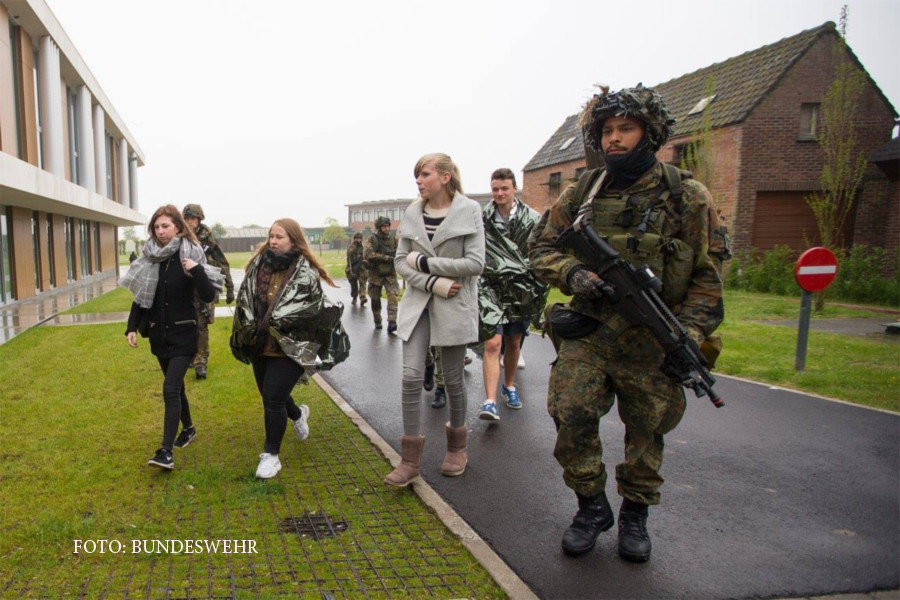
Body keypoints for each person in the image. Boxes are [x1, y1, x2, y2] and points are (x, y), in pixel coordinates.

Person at [529, 84, 725, 562]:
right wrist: (574, 273)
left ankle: (636, 515)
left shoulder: (688, 197)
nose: (614, 139)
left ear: (649, 133)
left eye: (626, 129)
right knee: (570, 412)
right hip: (591, 331)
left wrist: (690, 338)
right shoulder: (583, 192)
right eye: (608, 130)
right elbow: (540, 249)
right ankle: (592, 506)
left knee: (646, 429)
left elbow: (707, 279)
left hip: (654, 339)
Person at [384, 153, 485, 487]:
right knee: (411, 378)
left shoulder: (469, 210)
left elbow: (475, 264)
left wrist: (425, 263)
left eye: (424, 174)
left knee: (453, 379)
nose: (418, 180)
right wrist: (431, 281)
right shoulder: (412, 212)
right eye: (416, 175)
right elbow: (401, 262)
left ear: (444, 177)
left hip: (454, 305)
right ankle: (410, 460)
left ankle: (457, 448)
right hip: (418, 303)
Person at [230, 219, 350, 479]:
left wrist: (286, 318)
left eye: (279, 237)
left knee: (273, 397)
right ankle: (297, 414)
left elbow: (312, 309)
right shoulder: (257, 267)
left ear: (293, 240)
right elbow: (246, 300)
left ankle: (271, 456)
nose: (273, 241)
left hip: (293, 347)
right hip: (261, 343)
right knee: (272, 396)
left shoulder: (306, 273)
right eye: (271, 236)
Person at [120, 205, 224, 470]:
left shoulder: (190, 254)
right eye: (156, 227)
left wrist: (197, 270)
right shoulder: (150, 258)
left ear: (178, 227)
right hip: (159, 336)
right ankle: (188, 428)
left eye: (165, 226)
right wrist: (131, 327)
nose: (160, 231)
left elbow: (209, 295)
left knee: (169, 388)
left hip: (184, 335)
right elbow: (141, 297)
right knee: (176, 388)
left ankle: (165, 451)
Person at [476, 168, 547, 421]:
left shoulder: (533, 218)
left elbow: (541, 251)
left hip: (521, 288)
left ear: (514, 188)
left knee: (514, 342)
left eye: (504, 188)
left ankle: (509, 385)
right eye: (495, 189)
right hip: (490, 287)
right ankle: (490, 401)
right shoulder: (481, 218)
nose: (499, 193)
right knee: (493, 342)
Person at [181, 204, 235, 380]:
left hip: (203, 287)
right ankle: (191, 355)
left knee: (202, 324)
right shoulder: (178, 236)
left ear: (199, 219)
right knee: (187, 323)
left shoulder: (207, 239)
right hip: (183, 288)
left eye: (193, 218)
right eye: (187, 218)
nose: (190, 222)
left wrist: (229, 288)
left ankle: (201, 362)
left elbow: (222, 262)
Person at [364, 216, 399, 333]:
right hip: (375, 274)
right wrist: (385, 258)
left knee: (393, 296)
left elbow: (400, 252)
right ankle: (377, 319)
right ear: (379, 227)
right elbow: (368, 254)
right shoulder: (372, 239)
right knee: (375, 299)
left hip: (390, 273)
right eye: (383, 226)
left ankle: (392, 322)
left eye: (387, 226)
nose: (386, 228)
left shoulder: (394, 239)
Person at [345, 232, 368, 306]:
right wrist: (354, 246)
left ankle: (362, 297)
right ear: (354, 239)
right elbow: (349, 257)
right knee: (353, 284)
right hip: (353, 268)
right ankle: (354, 297)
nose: (359, 240)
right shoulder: (351, 247)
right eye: (357, 239)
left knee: (362, 283)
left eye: (360, 239)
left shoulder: (364, 247)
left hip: (362, 268)